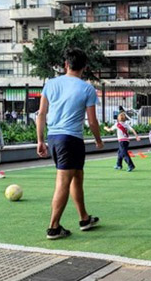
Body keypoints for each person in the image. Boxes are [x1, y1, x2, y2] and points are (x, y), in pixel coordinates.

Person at [36, 48, 103, 240]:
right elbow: (92, 121)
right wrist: (98, 140)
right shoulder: (87, 88)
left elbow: (41, 114)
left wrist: (40, 140)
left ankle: (84, 218)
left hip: (55, 138)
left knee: (77, 177)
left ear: (66, 64)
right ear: (85, 67)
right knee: (63, 182)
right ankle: (53, 227)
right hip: (71, 139)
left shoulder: (51, 84)